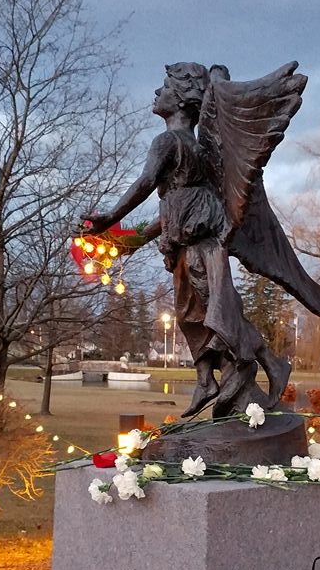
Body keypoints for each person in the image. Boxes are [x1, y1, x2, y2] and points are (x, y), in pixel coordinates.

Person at [82, 62, 290, 418]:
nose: (156, 93)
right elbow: (169, 211)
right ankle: (208, 378)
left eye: (163, 87)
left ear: (179, 99)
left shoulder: (168, 142)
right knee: (190, 313)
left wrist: (111, 216)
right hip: (184, 242)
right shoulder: (194, 151)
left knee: (215, 312)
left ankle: (262, 364)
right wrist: (131, 240)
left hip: (200, 243)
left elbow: (146, 183)